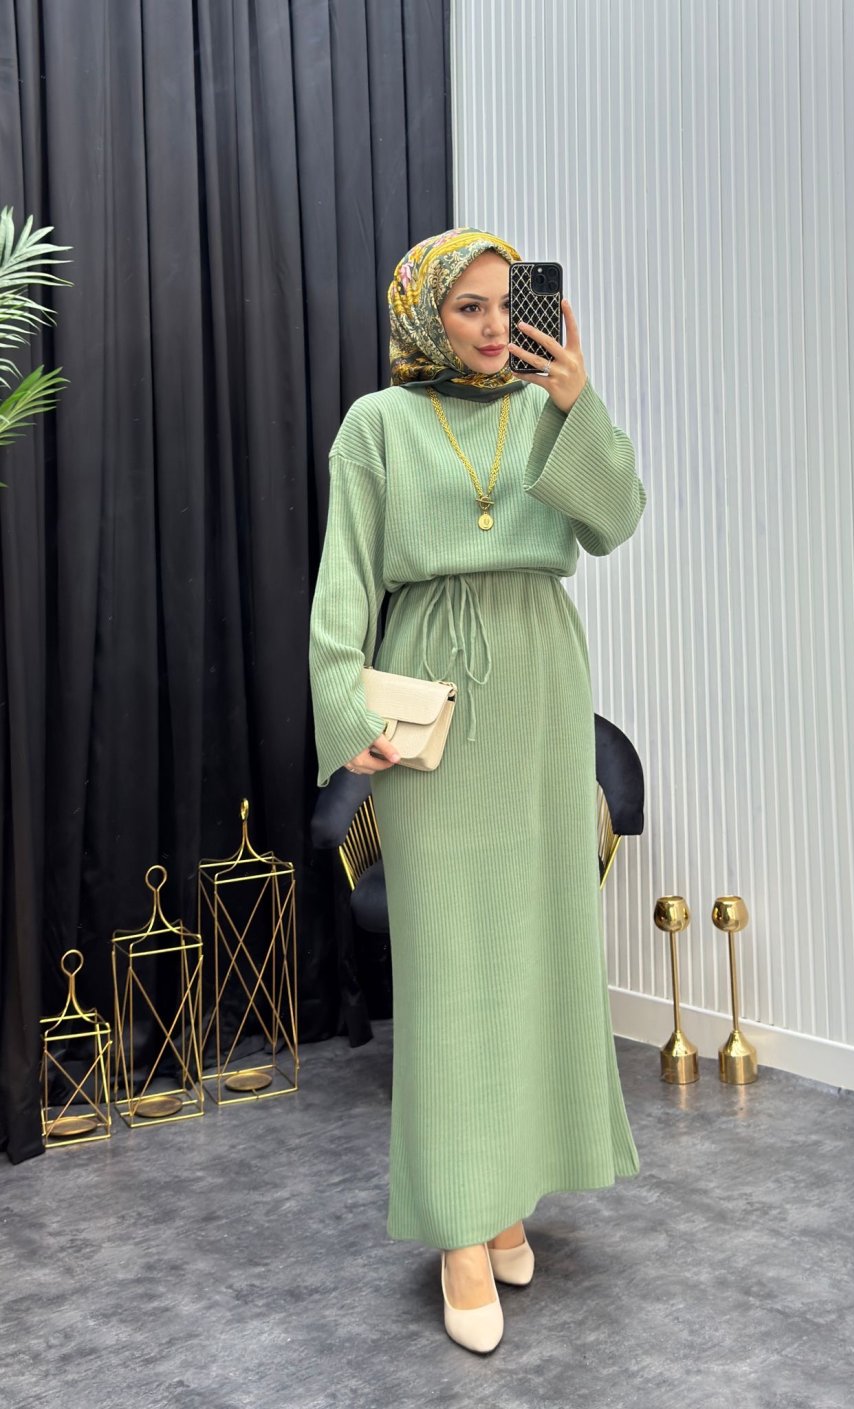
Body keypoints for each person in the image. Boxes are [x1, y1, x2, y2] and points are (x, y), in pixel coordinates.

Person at [309, 227, 647, 1354]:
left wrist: (578, 405)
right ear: (425, 316)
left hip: (542, 689)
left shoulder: (548, 409)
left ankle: (507, 1198)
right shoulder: (377, 424)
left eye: (509, 303)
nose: (498, 325)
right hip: (435, 700)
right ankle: (461, 1225)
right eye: (470, 308)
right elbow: (344, 581)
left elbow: (615, 520)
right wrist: (347, 710)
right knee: (453, 966)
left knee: (534, 949)